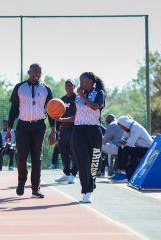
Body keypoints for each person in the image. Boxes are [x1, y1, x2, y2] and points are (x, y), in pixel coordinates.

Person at [7, 63, 56, 198]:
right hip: (22, 126)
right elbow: (13, 110)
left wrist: (53, 130)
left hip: (39, 126)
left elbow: (52, 111)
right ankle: (21, 182)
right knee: (22, 156)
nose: (37, 74)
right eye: (34, 72)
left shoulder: (46, 89)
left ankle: (35, 188)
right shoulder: (19, 87)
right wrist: (9, 129)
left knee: (37, 157)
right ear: (29, 72)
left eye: (39, 72)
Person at [56, 72, 105, 203]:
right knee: (82, 160)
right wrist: (62, 119)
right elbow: (77, 116)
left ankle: (91, 183)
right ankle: (86, 190)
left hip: (94, 130)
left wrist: (82, 96)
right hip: (78, 131)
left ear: (90, 81)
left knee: (94, 162)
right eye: (80, 80)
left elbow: (95, 107)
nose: (80, 83)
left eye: (82, 80)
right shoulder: (77, 97)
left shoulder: (99, 93)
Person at [109, 116, 153, 182]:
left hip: (148, 150)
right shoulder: (128, 128)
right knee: (120, 148)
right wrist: (123, 143)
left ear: (125, 124)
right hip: (140, 148)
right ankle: (119, 171)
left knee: (126, 149)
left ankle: (123, 173)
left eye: (122, 127)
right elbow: (124, 139)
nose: (122, 129)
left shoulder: (136, 127)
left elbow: (130, 143)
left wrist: (124, 142)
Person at [55, 79, 78, 184]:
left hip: (75, 129)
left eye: (70, 85)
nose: (68, 86)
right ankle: (66, 173)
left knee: (75, 153)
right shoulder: (62, 100)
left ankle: (73, 174)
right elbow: (57, 115)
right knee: (63, 152)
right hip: (63, 130)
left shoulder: (78, 99)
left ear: (74, 86)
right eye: (66, 85)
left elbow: (78, 115)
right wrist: (56, 131)